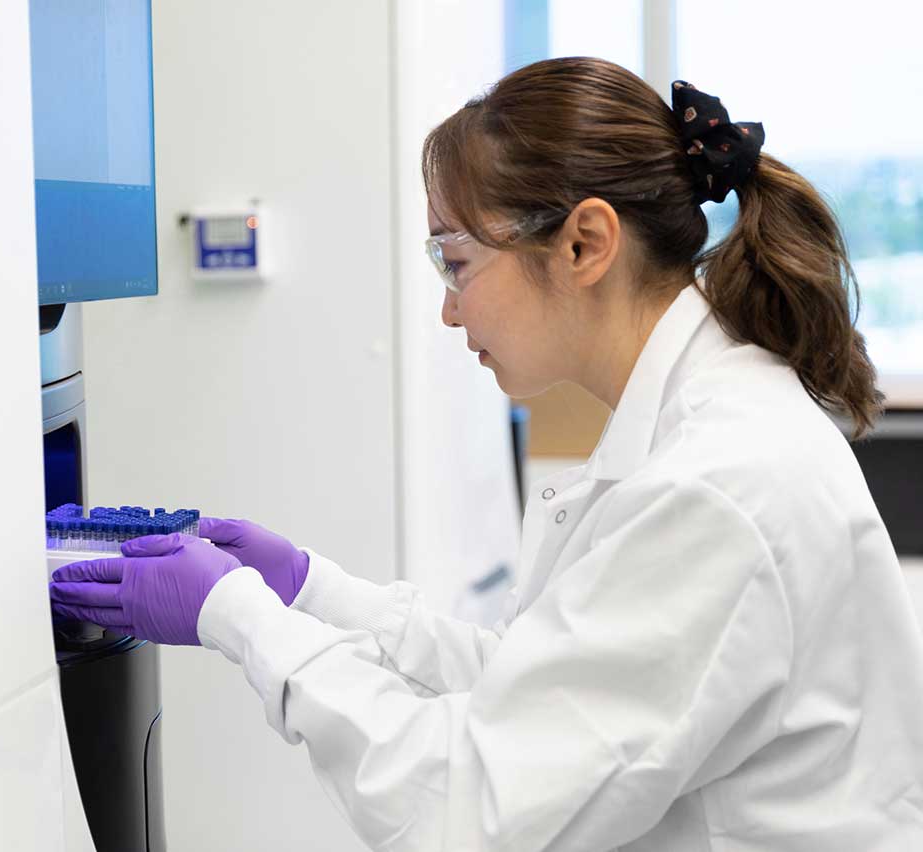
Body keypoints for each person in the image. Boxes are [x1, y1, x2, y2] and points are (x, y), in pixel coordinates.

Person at [49, 58, 923, 850]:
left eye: (455, 261)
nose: (449, 311)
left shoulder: (719, 485)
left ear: (585, 243)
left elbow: (465, 811)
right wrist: (310, 588)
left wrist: (236, 615)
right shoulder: (701, 425)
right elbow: (537, 688)